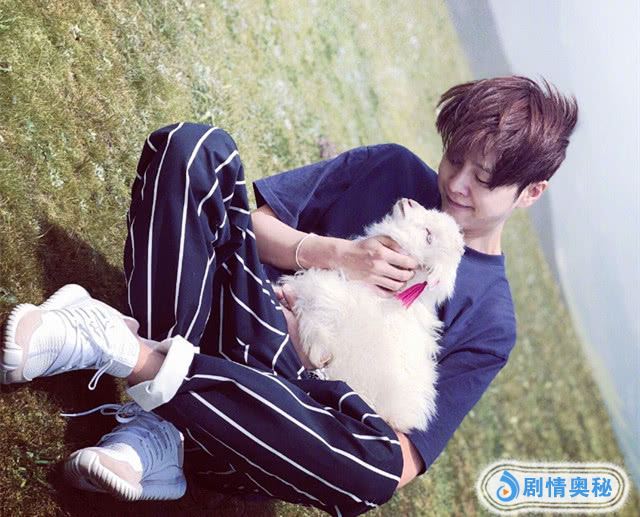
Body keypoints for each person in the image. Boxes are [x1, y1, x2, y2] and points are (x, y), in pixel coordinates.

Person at [0, 75, 578, 516]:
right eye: (455, 158)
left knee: (374, 471)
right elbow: (254, 228)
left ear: (532, 192)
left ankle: (123, 351)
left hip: (269, 415)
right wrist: (337, 254)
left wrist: (318, 356)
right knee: (194, 150)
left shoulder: (492, 321)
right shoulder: (391, 167)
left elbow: (403, 458)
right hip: (239, 316)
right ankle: (157, 423)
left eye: (484, 178)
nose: (456, 184)